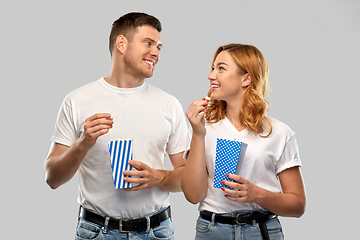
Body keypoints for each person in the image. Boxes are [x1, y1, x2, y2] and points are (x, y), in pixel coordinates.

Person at [44, 12, 188, 240]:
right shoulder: (78, 100)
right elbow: (52, 178)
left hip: (157, 232)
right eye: (148, 43)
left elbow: (188, 180)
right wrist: (83, 143)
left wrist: (157, 177)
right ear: (121, 43)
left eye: (159, 47)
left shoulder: (169, 104)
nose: (156, 53)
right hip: (96, 232)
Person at [182, 43, 306, 240]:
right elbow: (192, 195)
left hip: (262, 231)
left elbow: (297, 205)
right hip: (212, 231)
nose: (211, 75)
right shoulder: (204, 126)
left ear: (246, 78)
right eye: (213, 68)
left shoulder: (279, 133)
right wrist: (198, 134)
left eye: (221, 68)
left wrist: (256, 194)